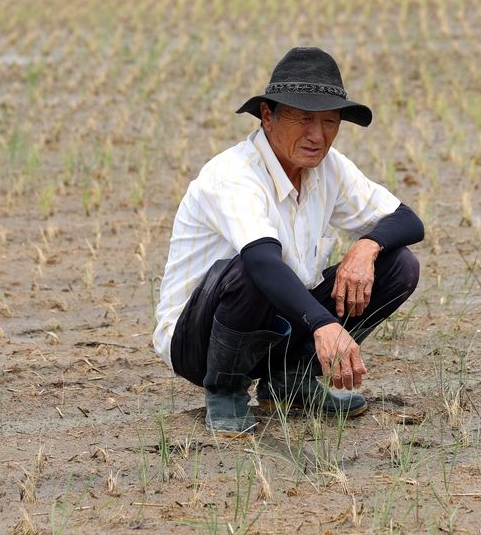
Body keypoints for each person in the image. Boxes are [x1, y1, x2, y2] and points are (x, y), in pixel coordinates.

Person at [154, 46, 424, 436]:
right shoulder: (235, 175)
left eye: (330, 121)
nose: (318, 136)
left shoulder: (329, 168)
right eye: (303, 119)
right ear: (268, 116)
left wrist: (367, 247)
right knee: (257, 267)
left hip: (277, 328)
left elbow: (407, 219)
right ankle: (225, 389)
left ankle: (291, 382)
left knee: (399, 265)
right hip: (199, 341)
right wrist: (323, 326)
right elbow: (262, 262)